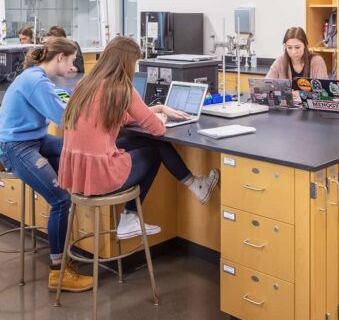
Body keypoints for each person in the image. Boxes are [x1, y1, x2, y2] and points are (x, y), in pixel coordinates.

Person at [58, 36, 219, 240]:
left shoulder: (86, 84)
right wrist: (157, 117)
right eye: (135, 63)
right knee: (154, 148)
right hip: (100, 176)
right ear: (126, 62)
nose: (136, 68)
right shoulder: (122, 88)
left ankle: (196, 185)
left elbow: (117, 117)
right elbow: (158, 130)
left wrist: (158, 108)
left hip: (78, 172)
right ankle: (131, 215)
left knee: (141, 141)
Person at [0, 36, 93, 292]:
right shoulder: (36, 81)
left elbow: (65, 101)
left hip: (35, 139)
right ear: (60, 57)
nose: (73, 66)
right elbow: (64, 117)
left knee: (78, 150)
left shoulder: (40, 77)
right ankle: (58, 271)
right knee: (61, 199)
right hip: (18, 146)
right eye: (72, 61)